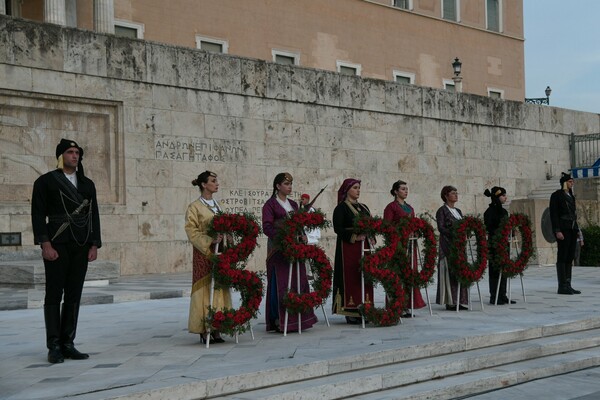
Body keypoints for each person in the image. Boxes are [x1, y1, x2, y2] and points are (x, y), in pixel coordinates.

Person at [31, 139, 102, 364]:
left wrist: (94, 244)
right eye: (70, 152)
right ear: (61, 155)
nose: (75, 156)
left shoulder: (87, 184)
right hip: (57, 243)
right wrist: (45, 244)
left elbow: (94, 216)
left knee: (74, 294)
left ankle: (68, 342)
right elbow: (37, 215)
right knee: (54, 294)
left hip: (80, 244)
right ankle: (53, 345)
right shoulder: (45, 182)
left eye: (77, 152)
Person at [262, 173, 317, 332]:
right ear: (278, 186)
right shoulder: (270, 205)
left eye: (291, 184)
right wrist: (282, 239)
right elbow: (267, 227)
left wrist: (303, 234)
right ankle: (280, 319)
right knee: (281, 283)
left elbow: (298, 223)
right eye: (286, 184)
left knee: (297, 281)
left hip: (295, 248)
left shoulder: (293, 204)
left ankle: (299, 318)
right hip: (278, 250)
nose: (289, 187)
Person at [184, 171, 231, 343]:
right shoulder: (195, 207)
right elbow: (191, 230)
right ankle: (204, 328)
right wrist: (210, 240)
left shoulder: (219, 206)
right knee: (204, 289)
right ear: (204, 185)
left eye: (216, 180)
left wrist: (228, 236)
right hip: (205, 253)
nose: (216, 183)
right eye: (213, 181)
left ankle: (218, 326)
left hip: (220, 252)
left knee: (219, 287)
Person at [332, 178, 374, 324]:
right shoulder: (341, 208)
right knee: (351, 276)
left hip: (364, 247)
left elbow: (370, 225)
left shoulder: (364, 207)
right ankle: (351, 310)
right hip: (349, 249)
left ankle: (367, 307)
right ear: (348, 189)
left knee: (365, 276)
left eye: (358, 188)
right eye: (355, 187)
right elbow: (338, 228)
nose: (358, 190)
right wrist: (354, 237)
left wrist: (372, 236)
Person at [383, 180, 426, 316]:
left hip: (410, 245)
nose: (405, 191)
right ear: (396, 191)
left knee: (409, 273)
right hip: (398, 246)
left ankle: (407, 305)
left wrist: (416, 231)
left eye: (406, 189)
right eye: (402, 189)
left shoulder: (410, 208)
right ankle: (396, 305)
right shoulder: (391, 207)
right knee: (397, 274)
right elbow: (387, 227)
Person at [435, 185, 469, 310]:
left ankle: (461, 300)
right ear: (446, 195)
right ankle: (451, 301)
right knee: (450, 271)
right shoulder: (442, 210)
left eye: (456, 193)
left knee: (460, 270)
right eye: (453, 193)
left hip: (459, 246)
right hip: (448, 245)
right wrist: (454, 233)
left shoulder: (458, 211)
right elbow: (441, 227)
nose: (456, 195)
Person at [550, 172, 584, 295]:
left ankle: (568, 284)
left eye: (572, 181)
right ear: (564, 183)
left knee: (570, 255)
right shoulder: (556, 196)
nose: (572, 183)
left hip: (572, 228)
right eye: (570, 181)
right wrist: (557, 230)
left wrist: (579, 233)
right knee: (563, 255)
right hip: (563, 228)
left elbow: (574, 215)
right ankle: (562, 285)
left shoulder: (571, 196)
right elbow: (553, 214)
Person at [483, 186, 515, 305]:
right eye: (503, 195)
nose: (505, 197)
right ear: (497, 197)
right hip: (494, 244)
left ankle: (503, 294)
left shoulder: (504, 211)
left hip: (504, 243)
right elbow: (489, 227)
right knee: (495, 269)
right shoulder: (489, 212)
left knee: (504, 269)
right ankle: (494, 295)